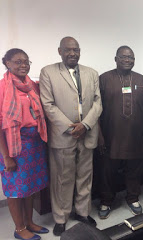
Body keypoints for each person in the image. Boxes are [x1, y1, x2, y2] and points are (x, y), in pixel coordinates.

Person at [39, 37, 102, 236]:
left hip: (87, 133)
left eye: (76, 49)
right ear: (60, 51)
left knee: (85, 177)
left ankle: (82, 213)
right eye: (68, 50)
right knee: (62, 179)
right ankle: (61, 217)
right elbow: (48, 105)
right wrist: (70, 127)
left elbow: (98, 103)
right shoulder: (48, 72)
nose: (72, 53)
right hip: (63, 136)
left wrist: (84, 124)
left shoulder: (91, 73)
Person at [0, 48, 49, 240]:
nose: (23, 65)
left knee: (30, 186)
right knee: (15, 189)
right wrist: (6, 156)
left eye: (26, 61)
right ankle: (19, 228)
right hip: (13, 147)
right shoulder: (3, 88)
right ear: (7, 63)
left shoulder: (31, 85)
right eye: (18, 62)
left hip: (34, 144)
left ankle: (29, 222)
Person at [98, 46, 143, 218]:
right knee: (108, 171)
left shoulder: (141, 80)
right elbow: (96, 110)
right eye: (124, 57)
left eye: (131, 57)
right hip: (110, 136)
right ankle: (106, 201)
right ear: (116, 59)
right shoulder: (104, 79)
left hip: (136, 136)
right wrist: (99, 135)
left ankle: (133, 198)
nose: (128, 60)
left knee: (134, 169)